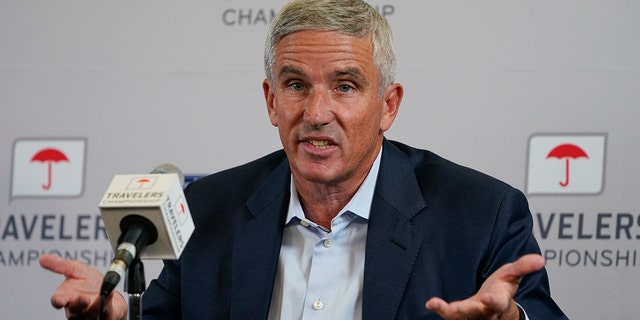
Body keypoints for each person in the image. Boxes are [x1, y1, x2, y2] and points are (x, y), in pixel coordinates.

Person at [39, 0, 568, 319]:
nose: (317, 113)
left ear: (388, 105)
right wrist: (116, 315)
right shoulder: (210, 209)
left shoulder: (481, 213)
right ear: (271, 101)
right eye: (296, 85)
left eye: (344, 86)